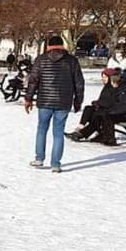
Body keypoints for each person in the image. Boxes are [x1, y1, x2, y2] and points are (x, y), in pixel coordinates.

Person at [25, 36, 85, 173]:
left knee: (42, 129)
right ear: (62, 45)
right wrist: (78, 101)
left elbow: (33, 80)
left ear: (48, 46)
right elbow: (79, 83)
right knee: (58, 133)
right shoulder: (72, 61)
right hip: (64, 101)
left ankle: (39, 158)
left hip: (44, 100)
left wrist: (28, 98)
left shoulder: (41, 60)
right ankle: (56, 164)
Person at [68, 70, 126, 145]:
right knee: (92, 110)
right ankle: (84, 132)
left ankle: (107, 138)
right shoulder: (114, 87)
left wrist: (109, 110)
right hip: (117, 110)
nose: (103, 79)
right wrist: (99, 104)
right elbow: (108, 101)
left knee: (102, 114)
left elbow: (123, 105)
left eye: (105, 77)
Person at [67, 68, 119, 140]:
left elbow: (111, 102)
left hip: (110, 110)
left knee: (95, 115)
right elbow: (103, 99)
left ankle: (81, 133)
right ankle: (81, 128)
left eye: (105, 77)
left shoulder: (114, 88)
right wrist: (97, 103)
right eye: (102, 77)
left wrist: (98, 103)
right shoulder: (106, 87)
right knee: (88, 108)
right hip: (103, 108)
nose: (103, 79)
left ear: (110, 78)